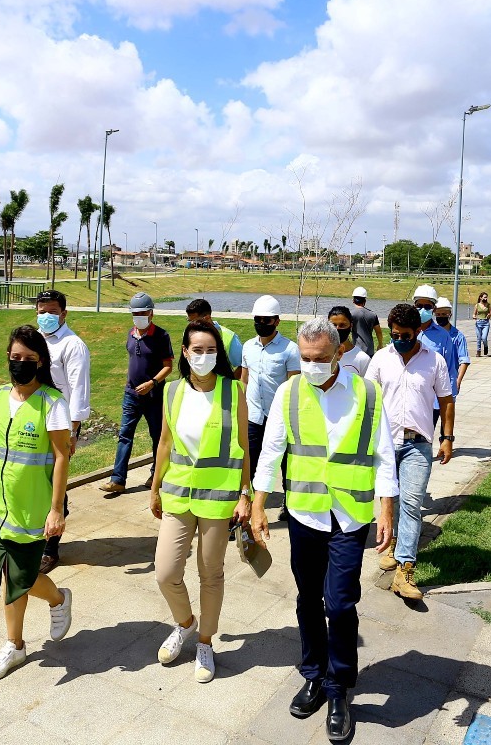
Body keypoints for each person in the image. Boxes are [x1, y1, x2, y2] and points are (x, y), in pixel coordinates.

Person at [248, 318, 397, 742]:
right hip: (306, 515)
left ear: (339, 353)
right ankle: (313, 675)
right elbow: (272, 449)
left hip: (350, 518)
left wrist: (386, 510)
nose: (312, 366)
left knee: (342, 603)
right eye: (306, 358)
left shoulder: (367, 393)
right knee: (308, 599)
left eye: (320, 359)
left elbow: (384, 454)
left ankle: (338, 689)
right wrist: (259, 505)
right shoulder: (289, 392)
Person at [0, 325, 73, 682]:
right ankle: (15, 644)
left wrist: (56, 509)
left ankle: (57, 599)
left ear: (40, 362)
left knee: (19, 576)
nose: (20, 364)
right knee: (10, 577)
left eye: (28, 359)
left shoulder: (51, 403)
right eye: (15, 358)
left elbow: (61, 457)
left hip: (33, 509)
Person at [149, 322, 250, 683]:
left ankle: (205, 641)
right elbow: (164, 441)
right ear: (185, 352)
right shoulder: (172, 390)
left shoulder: (233, 390)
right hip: (178, 493)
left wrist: (246, 493)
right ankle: (186, 623)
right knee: (166, 572)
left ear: (218, 355)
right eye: (198, 350)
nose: (204, 357)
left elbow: (243, 445)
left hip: (218, 498)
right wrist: (155, 485)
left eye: (211, 351)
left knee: (211, 574)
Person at [365, 304, 454, 602]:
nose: (399, 339)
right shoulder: (380, 359)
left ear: (418, 331)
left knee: (413, 503)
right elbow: (368, 401)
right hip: (385, 444)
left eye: (405, 335)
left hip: (418, 444)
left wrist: (447, 438)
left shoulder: (435, 361)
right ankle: (391, 544)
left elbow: (446, 400)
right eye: (394, 334)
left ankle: (405, 570)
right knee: (392, 501)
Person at [35, 290, 91, 573]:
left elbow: (78, 391)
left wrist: (72, 432)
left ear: (64, 314)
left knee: (55, 482)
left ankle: (50, 548)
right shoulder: (33, 340)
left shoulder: (73, 345)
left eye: (52, 311)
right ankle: (37, 533)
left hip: (61, 425)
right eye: (41, 311)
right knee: (35, 479)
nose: (46, 316)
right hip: (34, 422)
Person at [100, 293, 173, 494]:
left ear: (151, 313)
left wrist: (152, 382)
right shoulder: (131, 334)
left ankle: (156, 474)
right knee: (125, 435)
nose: (138, 316)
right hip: (131, 395)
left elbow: (168, 366)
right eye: (135, 313)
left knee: (157, 436)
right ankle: (118, 479)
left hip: (153, 396)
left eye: (142, 312)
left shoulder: (161, 336)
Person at [242, 295, 301, 482]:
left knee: (285, 461)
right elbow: (244, 380)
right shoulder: (248, 347)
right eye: (257, 319)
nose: (261, 323)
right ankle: (247, 498)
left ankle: (288, 502)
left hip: (278, 417)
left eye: (266, 320)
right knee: (249, 461)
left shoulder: (290, 349)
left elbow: (294, 387)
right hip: (253, 416)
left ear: (277, 321)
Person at [185, 298, 244, 381]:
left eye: (195, 321)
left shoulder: (229, 336)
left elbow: (242, 366)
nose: (191, 325)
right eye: (189, 321)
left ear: (207, 318)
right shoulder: (188, 334)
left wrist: (229, 384)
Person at [432, 297, 470, 402]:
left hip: (449, 382)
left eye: (444, 314)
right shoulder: (430, 334)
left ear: (450, 315)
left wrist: (458, 381)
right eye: (438, 315)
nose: (441, 317)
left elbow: (464, 360)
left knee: (447, 416)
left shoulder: (458, 336)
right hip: (431, 382)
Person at [328, 306, 370, 376]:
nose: (337, 329)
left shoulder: (362, 359)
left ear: (351, 326)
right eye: (333, 325)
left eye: (342, 325)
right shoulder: (320, 354)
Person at [349, 287, 384, 355]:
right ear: (365, 301)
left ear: (353, 300)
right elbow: (378, 332)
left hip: (356, 350)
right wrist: (380, 344)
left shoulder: (350, 314)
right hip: (369, 350)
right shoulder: (373, 315)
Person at [472, 292, 491, 356]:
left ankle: (485, 346)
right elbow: (474, 313)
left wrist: (489, 315)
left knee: (484, 337)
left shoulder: (488, 305)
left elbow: (490, 312)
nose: (485, 298)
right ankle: (478, 351)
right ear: (481, 297)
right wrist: (474, 316)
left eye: (486, 297)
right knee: (479, 337)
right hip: (478, 322)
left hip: (486, 323)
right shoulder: (477, 305)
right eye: (484, 297)